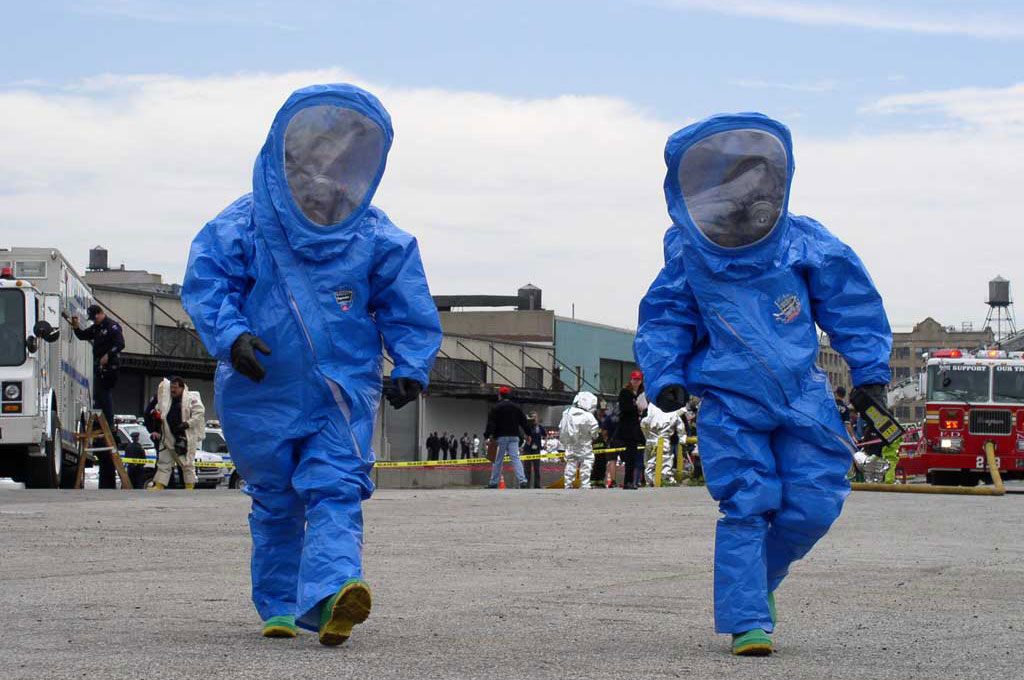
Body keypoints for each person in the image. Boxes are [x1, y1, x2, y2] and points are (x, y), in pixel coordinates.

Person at [182, 83, 442, 644]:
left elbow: (407, 300)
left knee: (337, 486)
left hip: (339, 393)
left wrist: (412, 363)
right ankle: (279, 605)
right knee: (276, 500)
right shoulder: (245, 223)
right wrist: (233, 337)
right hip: (260, 390)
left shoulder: (373, 233)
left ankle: (334, 593)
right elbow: (209, 282)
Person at [634, 113, 892, 655]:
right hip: (731, 402)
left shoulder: (801, 240)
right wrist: (666, 376)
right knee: (747, 504)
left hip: (803, 396)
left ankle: (758, 584)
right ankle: (748, 619)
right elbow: (665, 318)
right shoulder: (690, 253)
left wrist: (870, 373)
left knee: (816, 504)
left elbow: (851, 301)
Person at [70, 304, 125, 489]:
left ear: (102, 313)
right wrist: (76, 326)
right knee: (98, 395)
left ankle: (107, 422)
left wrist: (108, 356)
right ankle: (100, 421)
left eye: (96, 317)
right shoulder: (98, 328)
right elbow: (83, 335)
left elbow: (120, 344)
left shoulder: (112, 327)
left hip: (110, 367)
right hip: (98, 367)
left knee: (104, 393)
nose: (95, 320)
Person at [145, 377, 205, 490]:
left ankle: (189, 486)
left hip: (184, 438)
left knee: (187, 464)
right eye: (171, 387)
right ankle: (159, 486)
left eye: (175, 388)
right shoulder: (166, 400)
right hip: (168, 436)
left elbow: (199, 412)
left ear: (182, 388)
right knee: (164, 463)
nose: (173, 390)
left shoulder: (191, 398)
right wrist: (155, 414)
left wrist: (187, 424)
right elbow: (158, 409)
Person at [484, 386, 530, 489]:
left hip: (500, 437)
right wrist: (529, 434)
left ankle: (493, 482)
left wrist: (487, 436)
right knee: (515, 458)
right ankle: (522, 480)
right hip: (514, 436)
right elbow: (524, 422)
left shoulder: (496, 407)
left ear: (499, 395)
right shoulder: (516, 407)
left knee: (498, 460)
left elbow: (491, 423)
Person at [559, 392, 600, 489]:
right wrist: (594, 436)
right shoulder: (589, 416)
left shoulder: (566, 413)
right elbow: (595, 432)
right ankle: (585, 484)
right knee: (587, 462)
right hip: (585, 444)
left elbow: (562, 429)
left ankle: (568, 484)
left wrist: (564, 443)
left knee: (571, 462)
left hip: (571, 444)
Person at [613, 371, 646, 490]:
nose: (636, 382)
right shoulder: (625, 393)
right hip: (627, 427)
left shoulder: (639, 394)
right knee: (629, 455)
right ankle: (628, 481)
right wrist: (637, 407)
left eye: (638, 380)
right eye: (634, 379)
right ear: (631, 380)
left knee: (633, 455)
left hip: (635, 427)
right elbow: (625, 408)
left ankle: (631, 480)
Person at [641, 402, 686, 486]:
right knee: (665, 461)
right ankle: (665, 479)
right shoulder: (673, 414)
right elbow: (681, 429)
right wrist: (683, 441)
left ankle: (651, 480)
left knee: (650, 463)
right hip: (664, 441)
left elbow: (643, 425)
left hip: (650, 441)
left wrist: (647, 436)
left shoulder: (650, 411)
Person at [524, 412, 545, 488]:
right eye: (532, 417)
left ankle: (537, 485)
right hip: (527, 449)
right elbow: (524, 435)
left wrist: (544, 444)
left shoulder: (539, 427)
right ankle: (526, 485)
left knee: (537, 468)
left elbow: (545, 435)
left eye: (535, 417)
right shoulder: (527, 426)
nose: (534, 419)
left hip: (536, 449)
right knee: (527, 469)